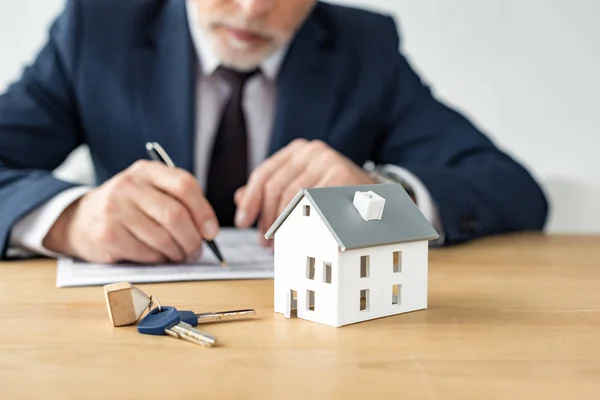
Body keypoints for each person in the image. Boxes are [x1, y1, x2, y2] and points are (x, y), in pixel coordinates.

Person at [0, 0, 548, 264]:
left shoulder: (365, 47)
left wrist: (381, 199)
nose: (253, 7)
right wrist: (68, 220)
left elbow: (513, 188)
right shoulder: (97, 28)